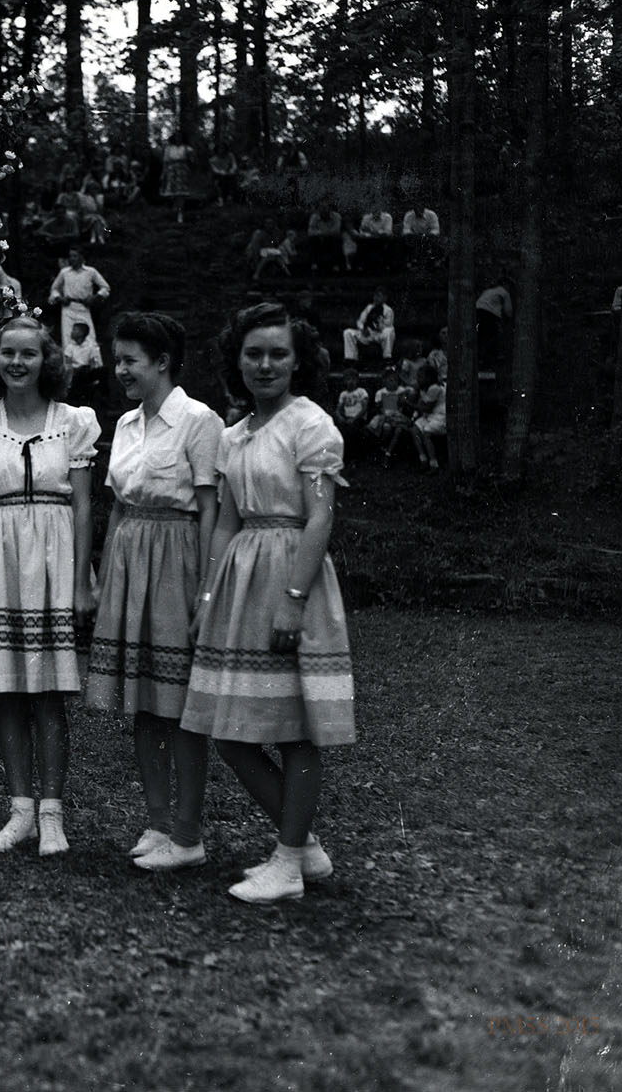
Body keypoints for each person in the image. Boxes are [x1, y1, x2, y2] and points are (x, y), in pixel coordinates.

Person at [184, 302, 355, 904]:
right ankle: (303, 848)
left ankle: (287, 863)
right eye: (253, 353)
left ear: (297, 360)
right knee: (232, 732)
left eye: (278, 353)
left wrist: (293, 600)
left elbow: (320, 518)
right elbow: (227, 523)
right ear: (237, 360)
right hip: (241, 583)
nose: (265, 364)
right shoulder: (234, 436)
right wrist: (208, 595)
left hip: (291, 576)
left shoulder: (311, 425)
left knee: (293, 730)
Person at [0, 317, 100, 856]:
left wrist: (82, 581)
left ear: (47, 361)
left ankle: (52, 815)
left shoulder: (73, 421)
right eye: (8, 353)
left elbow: (83, 506)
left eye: (29, 354)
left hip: (55, 556)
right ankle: (20, 812)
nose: (17, 363)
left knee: (49, 694)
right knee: (10, 693)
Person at [85, 312, 220, 872]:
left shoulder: (199, 421)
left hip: (177, 558)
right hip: (130, 560)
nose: (120, 370)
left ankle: (188, 835)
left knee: (179, 706)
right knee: (143, 702)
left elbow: (210, 508)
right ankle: (158, 822)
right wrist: (105, 573)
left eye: (130, 360)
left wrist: (206, 588)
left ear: (162, 362)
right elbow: (118, 505)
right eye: (117, 360)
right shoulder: (126, 423)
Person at [48, 247, 111, 349]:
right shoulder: (64, 272)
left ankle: (91, 358)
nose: (72, 259)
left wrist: (95, 297)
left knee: (89, 338)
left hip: (84, 308)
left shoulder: (91, 272)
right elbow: (54, 289)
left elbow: (105, 287)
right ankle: (69, 359)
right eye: (70, 256)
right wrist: (60, 298)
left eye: (75, 256)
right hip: (68, 309)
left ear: (82, 257)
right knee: (68, 338)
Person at [367, 365, 411, 465]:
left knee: (399, 430)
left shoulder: (401, 390)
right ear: (384, 381)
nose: (393, 382)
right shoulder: (381, 392)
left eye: (396, 380)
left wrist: (403, 396)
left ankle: (388, 453)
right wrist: (384, 408)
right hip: (386, 416)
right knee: (387, 428)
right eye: (390, 380)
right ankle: (384, 446)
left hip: (398, 416)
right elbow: (379, 408)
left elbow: (409, 394)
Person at [344, 288, 396, 363]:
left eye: (379, 296)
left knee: (389, 331)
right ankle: (351, 359)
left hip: (380, 335)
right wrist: (363, 329)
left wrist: (378, 323)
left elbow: (387, 326)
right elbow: (360, 321)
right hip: (368, 334)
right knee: (348, 332)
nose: (376, 298)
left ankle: (387, 358)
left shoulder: (388, 310)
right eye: (375, 296)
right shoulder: (369, 307)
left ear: (385, 298)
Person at [332, 368, 370, 471]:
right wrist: (340, 417)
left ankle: (354, 460)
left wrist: (355, 418)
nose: (350, 382)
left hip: (358, 418)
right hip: (347, 418)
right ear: (344, 381)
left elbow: (364, 408)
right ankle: (342, 458)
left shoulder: (361, 392)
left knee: (353, 431)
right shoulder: (343, 394)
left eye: (353, 379)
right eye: (348, 379)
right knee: (341, 430)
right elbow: (338, 409)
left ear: (357, 380)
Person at [410, 364, 446, 470]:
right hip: (429, 416)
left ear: (429, 378)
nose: (418, 379)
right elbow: (420, 404)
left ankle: (433, 463)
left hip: (440, 417)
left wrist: (408, 403)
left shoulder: (435, 388)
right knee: (414, 430)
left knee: (426, 433)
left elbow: (427, 408)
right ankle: (423, 459)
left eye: (420, 377)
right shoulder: (423, 388)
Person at [475, 280, 514, 369]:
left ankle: (480, 360)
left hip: (477, 312)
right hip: (490, 314)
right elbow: (509, 312)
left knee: (480, 337)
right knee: (492, 338)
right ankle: (488, 363)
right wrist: (509, 321)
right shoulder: (504, 292)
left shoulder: (488, 291)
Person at [63, 318, 104, 402]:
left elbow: (92, 362)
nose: (71, 332)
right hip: (75, 373)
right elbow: (68, 364)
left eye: (74, 330)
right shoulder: (70, 347)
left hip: (86, 371)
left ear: (81, 333)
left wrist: (93, 376)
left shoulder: (90, 346)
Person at [160, 132, 193, 223]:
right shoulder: (169, 149)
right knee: (172, 192)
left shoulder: (187, 148)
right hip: (171, 171)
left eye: (180, 137)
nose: (178, 139)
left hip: (182, 171)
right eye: (177, 137)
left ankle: (180, 213)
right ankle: (175, 208)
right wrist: (163, 173)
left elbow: (191, 161)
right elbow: (165, 162)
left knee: (181, 193)